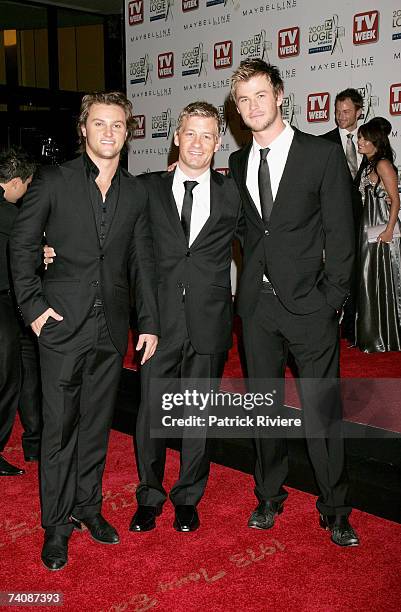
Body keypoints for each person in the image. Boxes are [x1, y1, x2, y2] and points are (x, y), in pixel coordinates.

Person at [10, 92, 159, 571]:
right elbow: (22, 243)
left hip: (111, 328)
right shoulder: (53, 179)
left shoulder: (135, 193)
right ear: (84, 129)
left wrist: (149, 323)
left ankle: (87, 508)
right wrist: (33, 308)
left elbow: (141, 261)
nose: (109, 132)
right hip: (59, 324)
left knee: (95, 426)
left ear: (128, 131)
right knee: (58, 429)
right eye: (100, 124)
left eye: (118, 125)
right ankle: (55, 525)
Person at [229, 59, 359, 546]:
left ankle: (335, 507)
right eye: (243, 100)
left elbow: (342, 238)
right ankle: (268, 494)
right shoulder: (239, 162)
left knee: (322, 410)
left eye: (260, 95)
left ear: (280, 95)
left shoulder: (320, 155)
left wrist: (330, 299)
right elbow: (247, 229)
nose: (252, 106)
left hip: (310, 307)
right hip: (256, 310)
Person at [129, 102, 243, 533]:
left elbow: (265, 241)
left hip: (210, 320)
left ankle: (188, 496)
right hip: (157, 323)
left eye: (207, 135)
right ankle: (149, 495)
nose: (198, 143)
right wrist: (52, 253)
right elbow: (110, 235)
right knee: (152, 412)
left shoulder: (233, 193)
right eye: (190, 133)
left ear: (218, 142)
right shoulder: (146, 189)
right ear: (176, 137)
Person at [0, 147, 36, 476]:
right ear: (13, 183)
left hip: (9, 304)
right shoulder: (10, 215)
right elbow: (34, 246)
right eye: (26, 185)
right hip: (4, 306)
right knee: (8, 378)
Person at [321, 88, 366, 344]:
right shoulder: (324, 143)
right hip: (334, 223)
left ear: (359, 112)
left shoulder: (369, 141)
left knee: (361, 276)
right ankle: (329, 326)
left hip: (365, 221)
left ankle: (355, 328)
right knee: (336, 275)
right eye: (337, 111)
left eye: (347, 111)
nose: (340, 116)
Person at [355, 117, 401, 352]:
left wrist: (390, 230)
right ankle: (372, 335)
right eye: (359, 138)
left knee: (383, 283)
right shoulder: (369, 165)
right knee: (368, 280)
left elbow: (396, 200)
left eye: (364, 138)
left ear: (376, 141)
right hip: (368, 229)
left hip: (382, 231)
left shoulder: (383, 164)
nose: (359, 141)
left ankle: (386, 336)